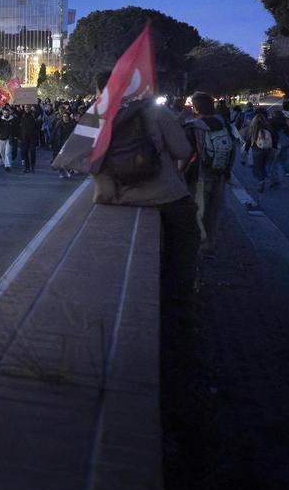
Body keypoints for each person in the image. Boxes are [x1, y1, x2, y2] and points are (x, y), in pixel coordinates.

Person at [90, 72, 199, 320]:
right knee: (183, 253)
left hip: (122, 201)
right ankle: (180, 315)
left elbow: (89, 163)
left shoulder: (95, 118)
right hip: (168, 199)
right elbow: (183, 149)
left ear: (101, 91)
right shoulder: (154, 111)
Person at [183, 92, 236, 257]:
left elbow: (186, 154)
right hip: (220, 174)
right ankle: (209, 246)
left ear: (196, 108)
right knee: (214, 212)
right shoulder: (224, 124)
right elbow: (232, 149)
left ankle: (197, 246)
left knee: (197, 212)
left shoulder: (193, 127)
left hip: (200, 175)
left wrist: (181, 174)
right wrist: (227, 171)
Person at [245, 108, 278, 191]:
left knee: (258, 167)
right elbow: (274, 137)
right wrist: (274, 147)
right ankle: (273, 180)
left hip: (257, 149)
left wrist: (246, 149)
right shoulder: (269, 125)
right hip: (269, 149)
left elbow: (249, 139)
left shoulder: (253, 126)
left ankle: (261, 182)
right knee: (268, 165)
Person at [51, 109, 76, 178]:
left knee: (68, 158)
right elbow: (54, 133)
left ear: (68, 117)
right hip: (60, 144)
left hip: (69, 144)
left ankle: (68, 170)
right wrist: (51, 142)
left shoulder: (72, 124)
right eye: (64, 116)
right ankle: (61, 172)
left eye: (66, 116)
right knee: (61, 158)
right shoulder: (59, 124)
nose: (65, 118)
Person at [0, 107, 15, 173]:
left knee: (7, 152)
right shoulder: (0, 119)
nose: (6, 114)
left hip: (9, 138)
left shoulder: (12, 119)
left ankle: (7, 165)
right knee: (2, 152)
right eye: (4, 113)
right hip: (1, 138)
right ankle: (4, 162)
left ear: (9, 113)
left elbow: (16, 128)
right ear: (3, 113)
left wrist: (16, 136)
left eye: (7, 113)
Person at [20, 106, 39, 173]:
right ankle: (27, 167)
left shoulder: (33, 114)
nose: (27, 109)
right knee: (25, 152)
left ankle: (32, 166)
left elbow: (39, 114)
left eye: (28, 107)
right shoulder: (22, 114)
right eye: (25, 107)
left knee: (32, 152)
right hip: (24, 136)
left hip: (32, 136)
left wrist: (35, 110)